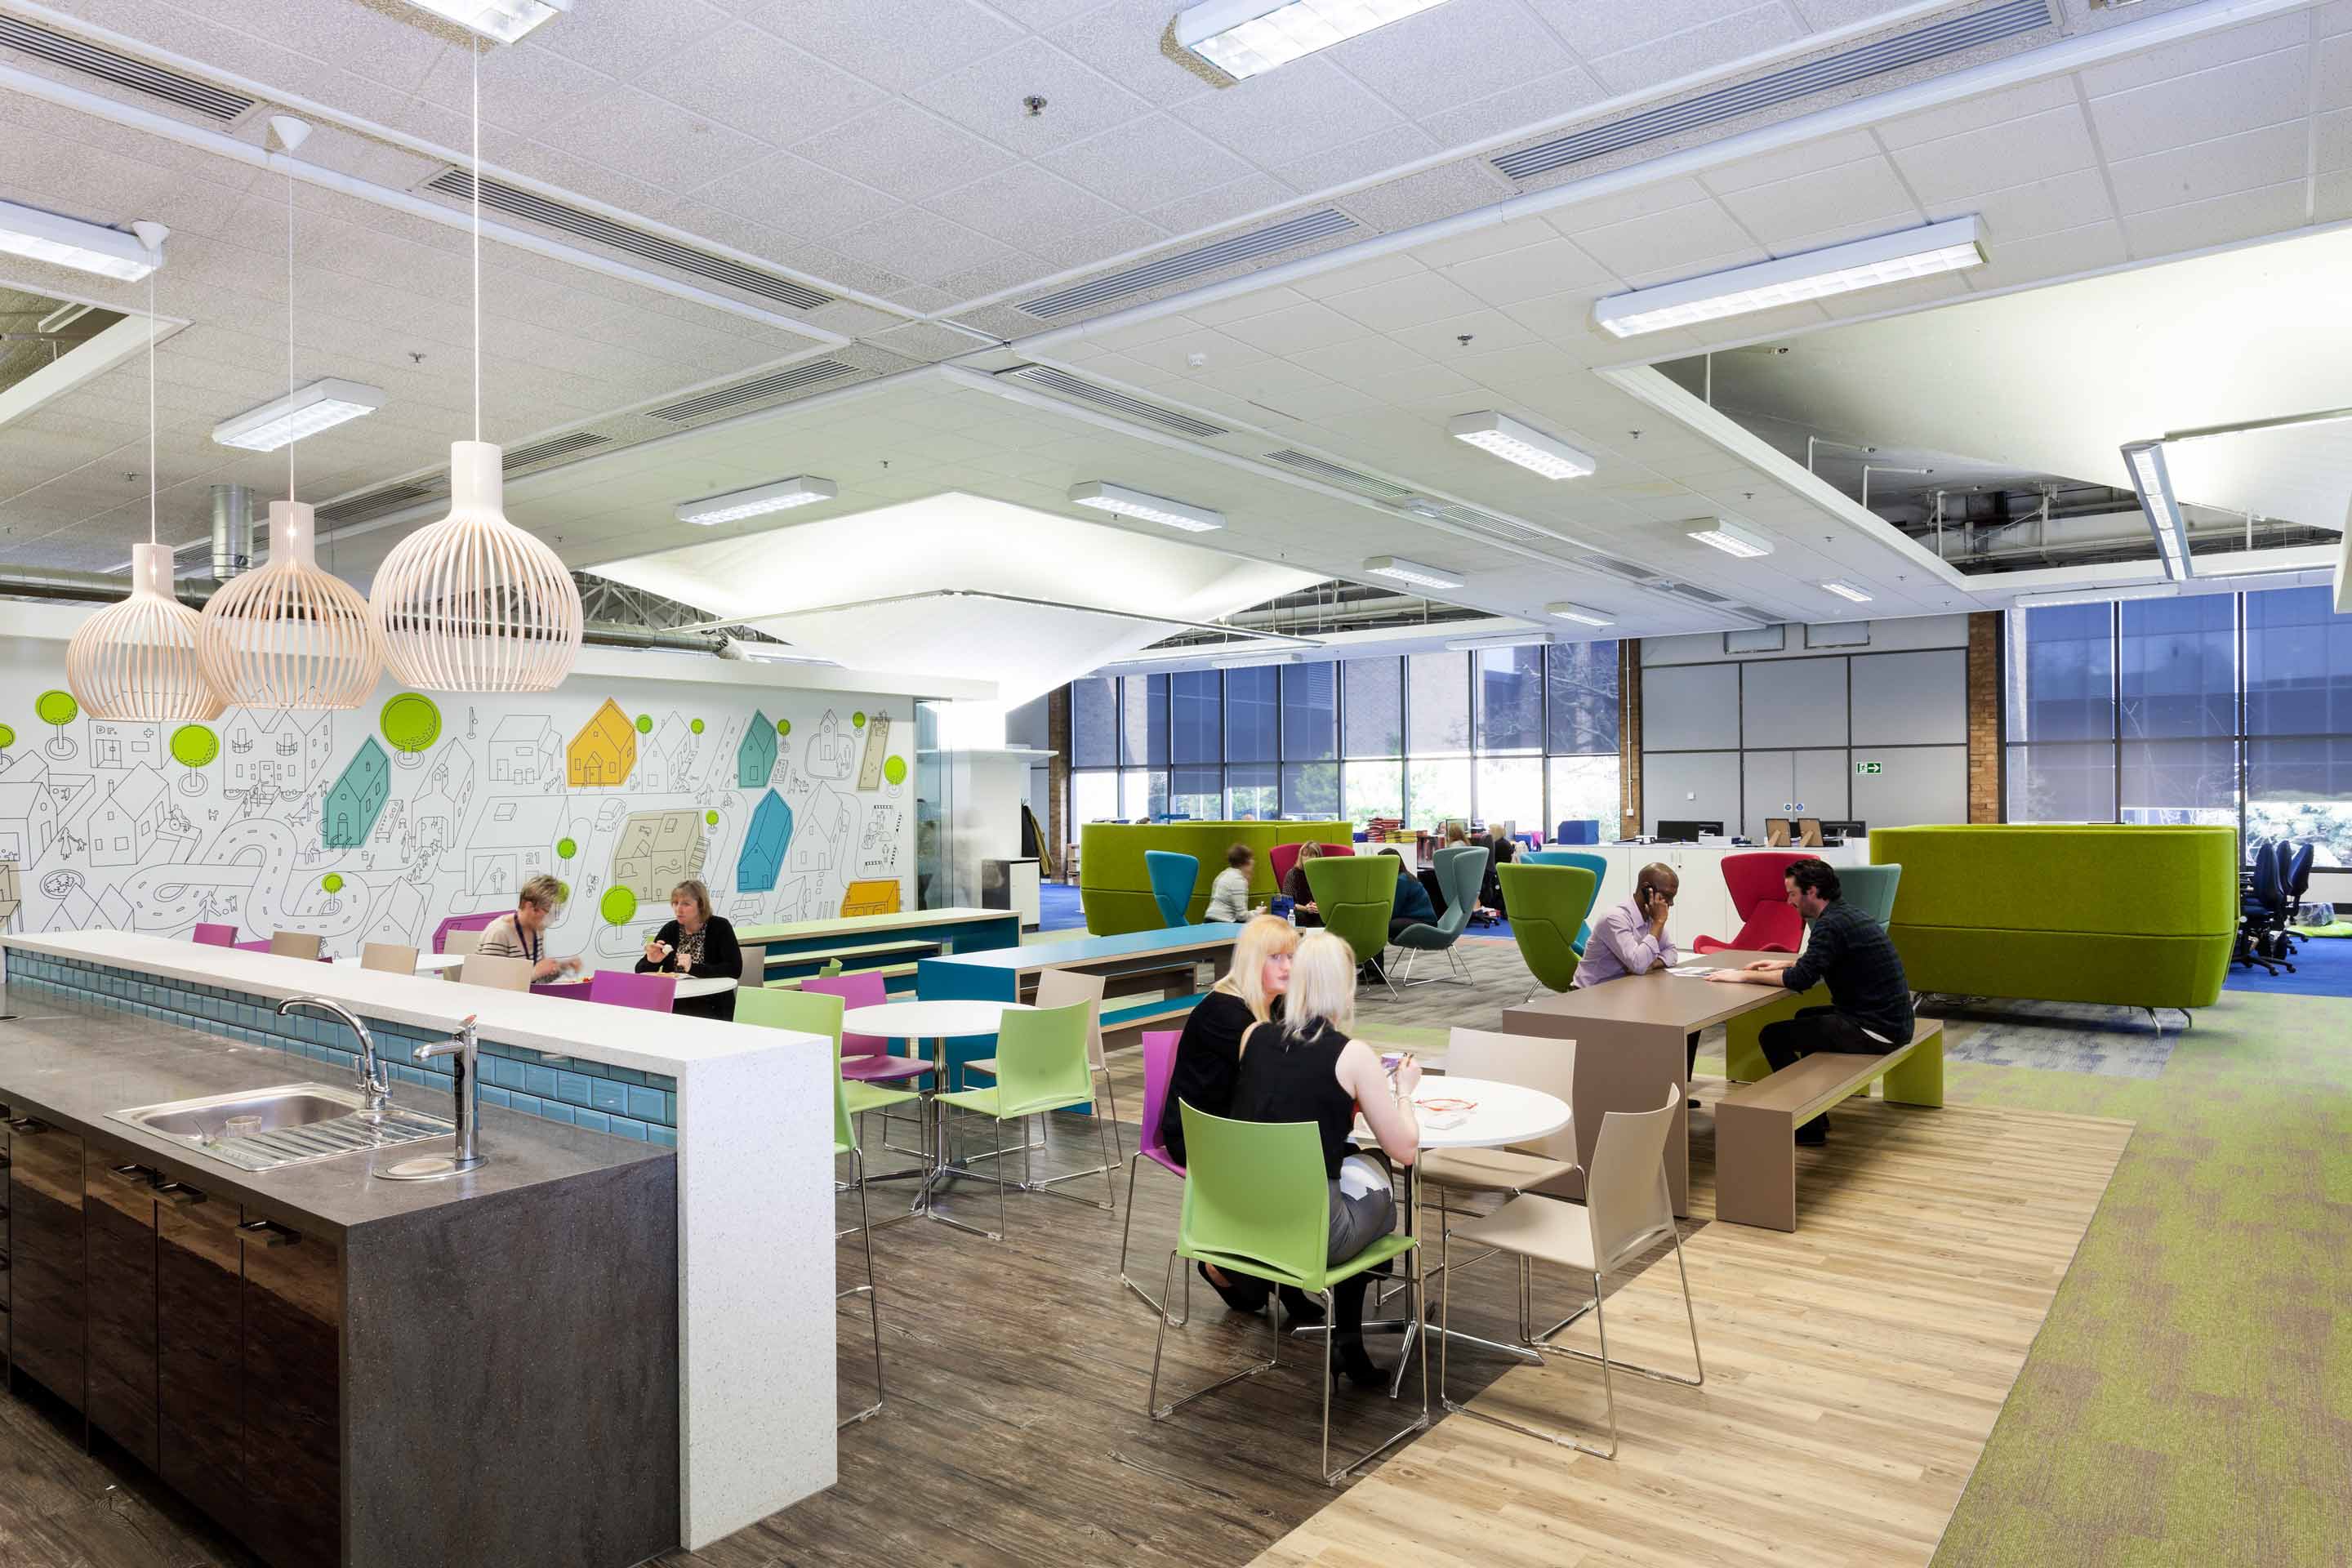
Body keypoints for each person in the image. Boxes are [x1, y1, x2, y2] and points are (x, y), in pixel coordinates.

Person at [1218, 930, 1421, 1388]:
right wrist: (1405, 1093)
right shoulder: (1352, 1055)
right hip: (1310, 1236)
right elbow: (1405, 1148)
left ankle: (1348, 1340)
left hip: (1238, 1224)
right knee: (1379, 1180)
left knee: (1353, 1165)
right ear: (1344, 986)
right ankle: (1349, 1340)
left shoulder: (1252, 1038)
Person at [1706, 857, 1913, 1144]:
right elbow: (1817, 962)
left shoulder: (1829, 926)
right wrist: (1779, 965)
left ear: (1812, 891)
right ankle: (1814, 1115)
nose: (1789, 901)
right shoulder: (1845, 915)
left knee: (1772, 1036)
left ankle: (1807, 1127)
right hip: (1891, 1022)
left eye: (1792, 894)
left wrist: (1742, 976)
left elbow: (1800, 981)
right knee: (1804, 1017)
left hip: (1877, 1030)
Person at [1575, 863, 1701, 1100]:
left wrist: (1651, 961)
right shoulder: (1616, 918)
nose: (1670, 905)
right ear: (1647, 890)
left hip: (1625, 993)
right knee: (1662, 1025)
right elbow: (1638, 963)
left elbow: (1672, 953)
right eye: (1667, 897)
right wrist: (1657, 926)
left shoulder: (1650, 916)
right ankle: (1650, 1094)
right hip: (1592, 999)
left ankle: (1674, 1093)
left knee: (1690, 1022)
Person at [635, 878, 744, 1022]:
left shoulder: (720, 927)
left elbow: (734, 969)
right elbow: (639, 971)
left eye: (686, 904)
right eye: (675, 903)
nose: (678, 909)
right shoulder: (670, 929)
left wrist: (693, 968)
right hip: (676, 1003)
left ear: (701, 905)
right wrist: (651, 961)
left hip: (712, 1003)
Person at [474, 874, 580, 982]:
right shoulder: (499, 933)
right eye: (548, 912)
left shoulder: (537, 931)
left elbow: (537, 981)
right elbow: (488, 983)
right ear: (530, 907)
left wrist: (562, 968)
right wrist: (535, 973)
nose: (550, 919)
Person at [1205, 842, 1254, 923]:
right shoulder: (1239, 880)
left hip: (1209, 920)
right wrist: (1257, 913)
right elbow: (1242, 916)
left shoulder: (1223, 874)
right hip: (1224, 924)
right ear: (1247, 861)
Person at [1283, 840, 1325, 928]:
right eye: (1304, 855)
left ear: (1318, 857)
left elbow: (1330, 898)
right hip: (1301, 912)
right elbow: (1287, 903)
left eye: (1311, 855)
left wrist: (1321, 907)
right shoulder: (1292, 874)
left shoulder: (1324, 873)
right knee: (1298, 916)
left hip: (1321, 912)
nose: (1307, 858)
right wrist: (1306, 908)